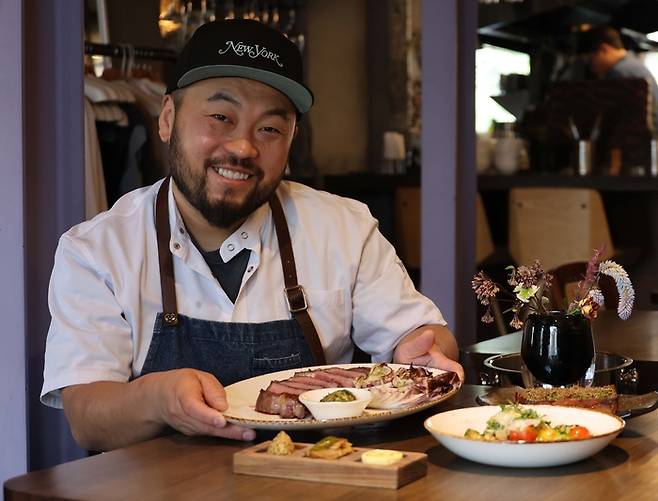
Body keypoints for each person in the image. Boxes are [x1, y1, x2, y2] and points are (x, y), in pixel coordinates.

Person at [41, 19, 462, 452]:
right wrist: (158, 399)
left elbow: (423, 337)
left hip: (316, 481)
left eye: (269, 129)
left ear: (291, 139)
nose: (243, 147)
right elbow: (86, 416)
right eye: (221, 117)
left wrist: (423, 351)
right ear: (167, 119)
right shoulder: (96, 250)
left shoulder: (344, 228)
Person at [580, 25, 658, 128]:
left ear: (604, 49)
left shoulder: (619, 72)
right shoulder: (632, 63)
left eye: (590, 61)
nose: (591, 68)